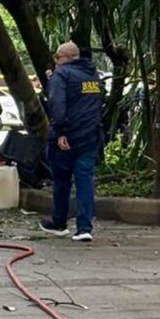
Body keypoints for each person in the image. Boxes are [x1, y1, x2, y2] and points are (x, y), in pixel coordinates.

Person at [39, 41, 104, 242]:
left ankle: (59, 222)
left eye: (57, 58)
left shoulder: (62, 75)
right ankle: (84, 228)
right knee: (84, 180)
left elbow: (57, 104)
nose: (56, 62)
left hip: (66, 137)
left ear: (64, 58)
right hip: (89, 136)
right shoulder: (93, 75)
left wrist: (60, 132)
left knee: (61, 180)